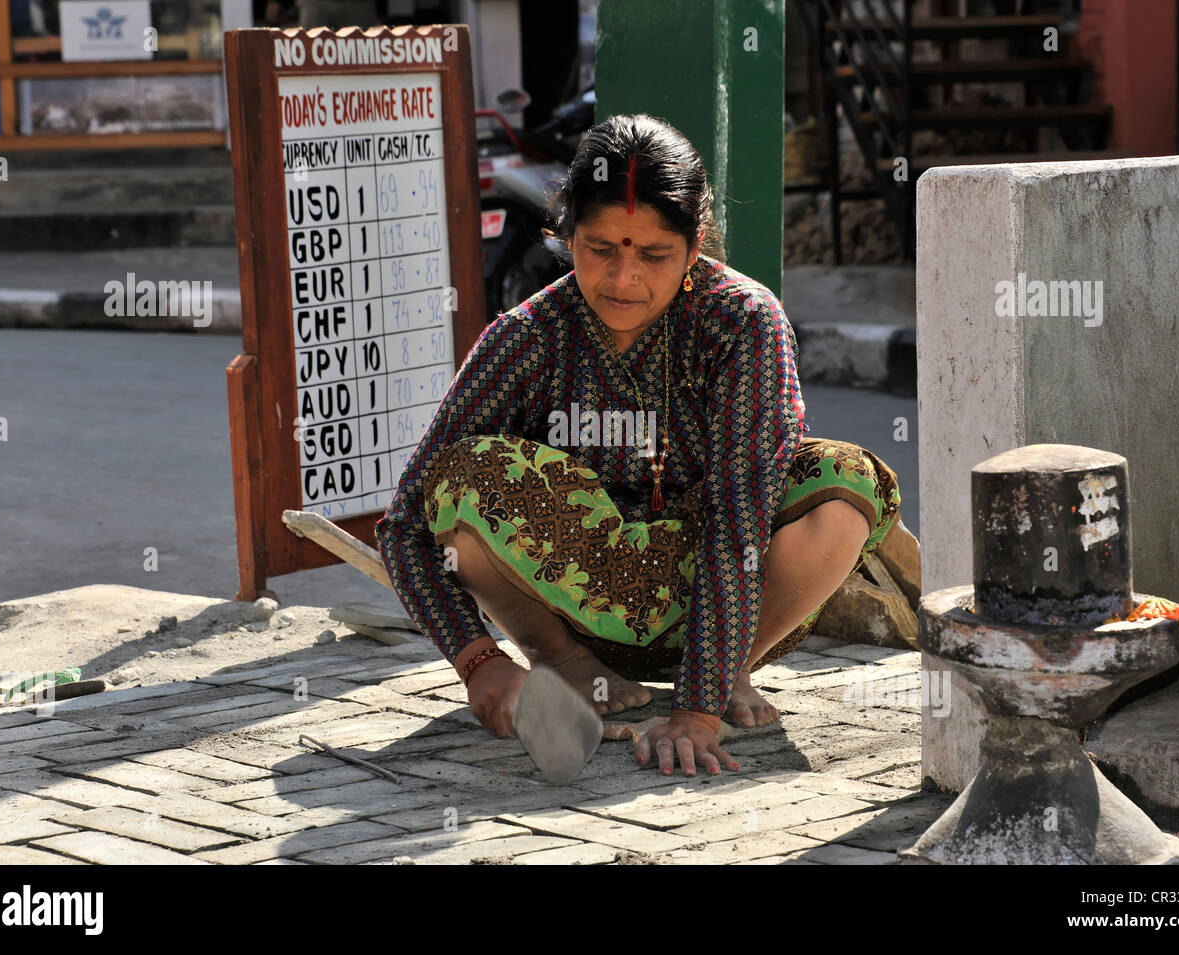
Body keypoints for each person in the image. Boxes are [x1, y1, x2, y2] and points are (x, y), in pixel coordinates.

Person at [376, 113, 901, 778]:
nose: (623, 279)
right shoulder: (527, 337)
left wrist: (698, 706)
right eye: (601, 249)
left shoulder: (741, 321)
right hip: (573, 612)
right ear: (566, 236)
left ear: (695, 242)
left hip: (714, 590)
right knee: (459, 477)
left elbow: (740, 516)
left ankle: (725, 663)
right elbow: (403, 525)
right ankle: (567, 663)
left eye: (652, 255)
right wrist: (480, 661)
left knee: (844, 481)